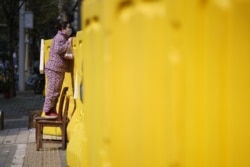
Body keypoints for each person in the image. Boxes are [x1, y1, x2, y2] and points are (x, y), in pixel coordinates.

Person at [43, 21, 73, 118]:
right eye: (68, 27)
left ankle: (52, 109)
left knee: (56, 91)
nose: (69, 29)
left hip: (58, 69)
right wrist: (68, 44)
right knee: (52, 91)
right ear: (63, 29)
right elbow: (58, 49)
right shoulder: (59, 38)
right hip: (54, 69)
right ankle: (47, 110)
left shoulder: (63, 38)